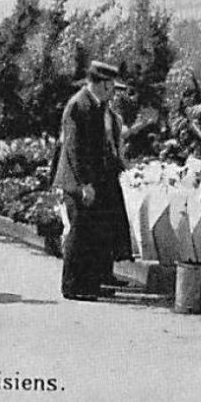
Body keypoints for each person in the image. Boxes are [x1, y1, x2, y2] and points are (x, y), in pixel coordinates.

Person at [52, 61, 130, 301]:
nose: (113, 92)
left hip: (93, 180)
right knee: (79, 233)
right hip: (78, 181)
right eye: (111, 86)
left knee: (93, 231)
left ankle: (91, 282)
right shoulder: (79, 105)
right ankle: (73, 286)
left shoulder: (95, 105)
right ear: (103, 84)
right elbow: (75, 149)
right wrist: (85, 183)